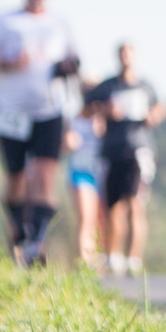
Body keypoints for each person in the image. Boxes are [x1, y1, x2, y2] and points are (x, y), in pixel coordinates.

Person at [0, 0, 78, 267]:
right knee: (16, 176)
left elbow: (75, 63)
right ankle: (18, 229)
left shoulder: (59, 24)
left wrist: (67, 67)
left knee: (46, 175)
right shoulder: (4, 21)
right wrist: (8, 62)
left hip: (49, 111)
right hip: (11, 111)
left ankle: (36, 241)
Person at [85, 43, 165, 276]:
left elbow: (160, 107)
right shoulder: (108, 86)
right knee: (114, 207)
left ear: (135, 56)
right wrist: (104, 111)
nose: (126, 57)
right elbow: (86, 108)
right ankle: (114, 256)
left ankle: (134, 259)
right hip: (112, 151)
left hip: (139, 150)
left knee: (136, 203)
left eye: (129, 53)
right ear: (118, 56)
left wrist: (154, 115)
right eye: (122, 53)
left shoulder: (145, 86)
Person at [62, 98, 106, 271]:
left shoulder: (104, 120)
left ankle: (100, 259)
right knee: (86, 218)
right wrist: (68, 141)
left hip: (102, 174)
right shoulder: (73, 120)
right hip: (81, 172)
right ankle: (85, 265)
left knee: (101, 220)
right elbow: (62, 145)